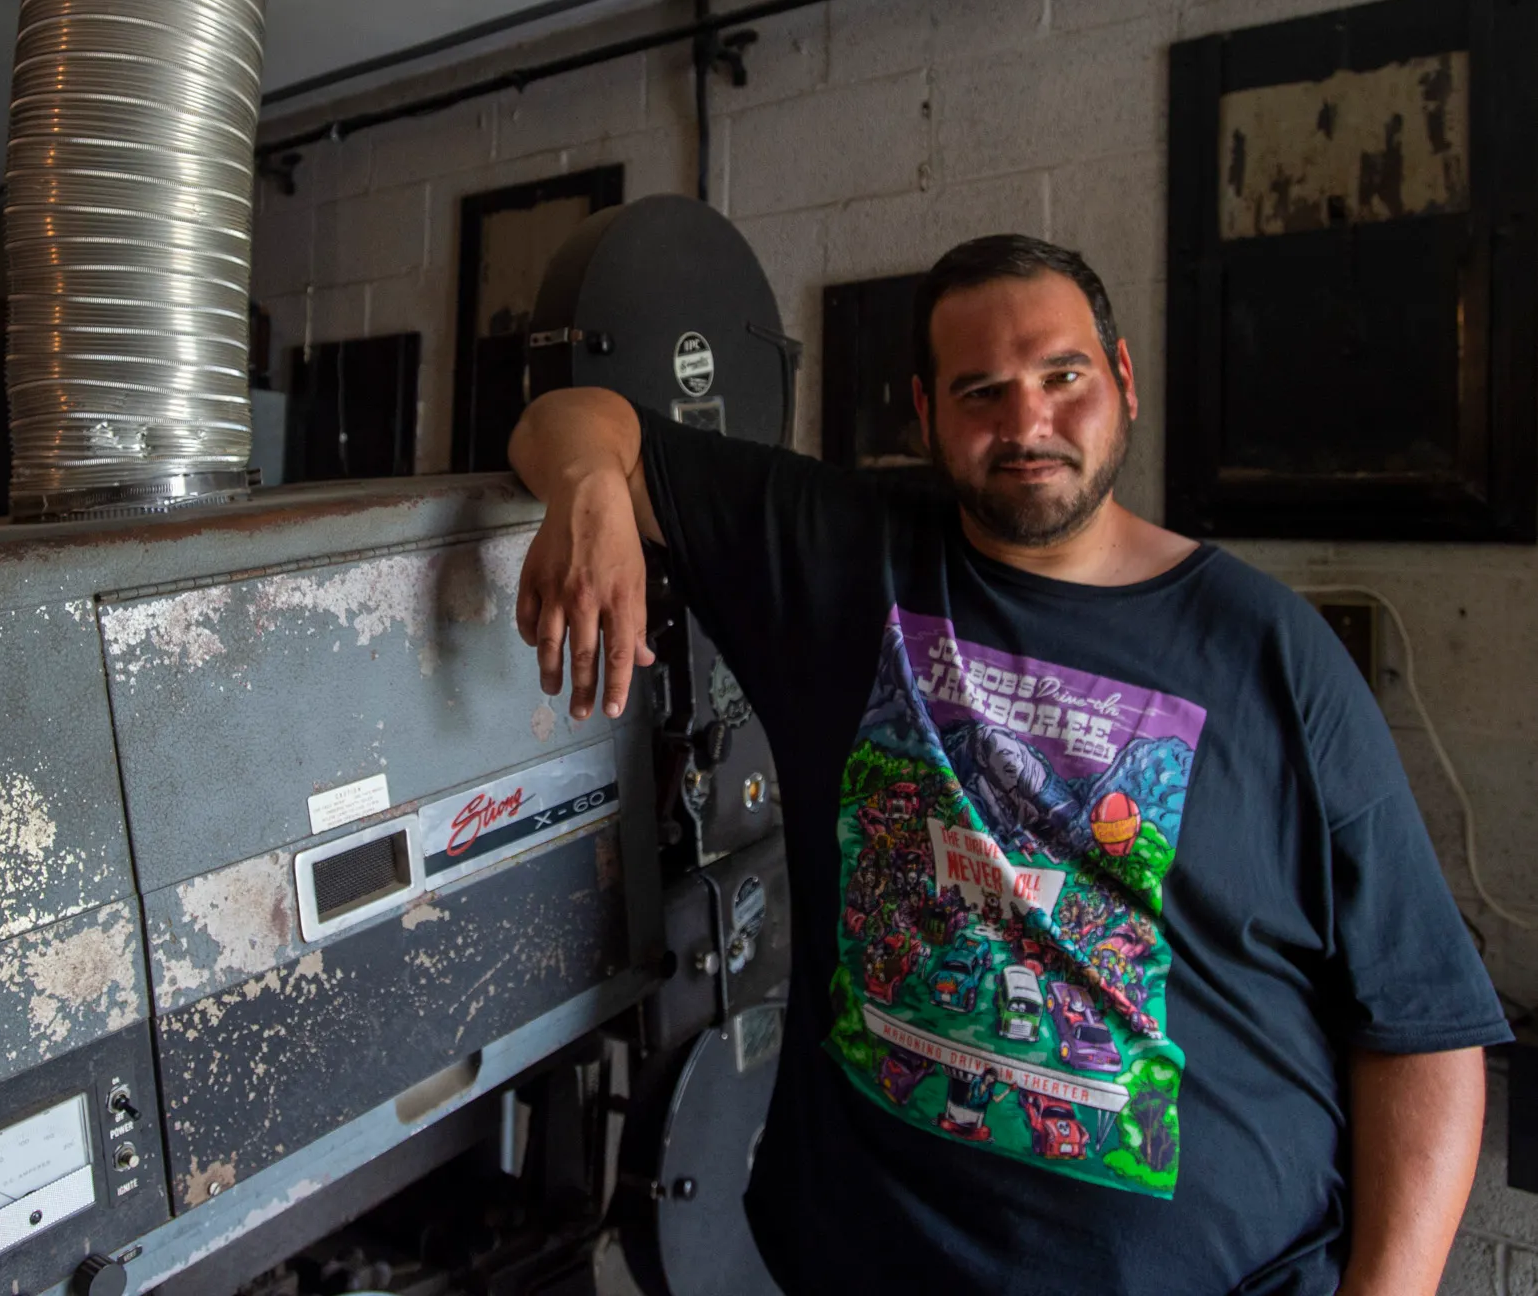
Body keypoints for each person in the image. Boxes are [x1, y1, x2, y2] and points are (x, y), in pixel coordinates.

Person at [507, 234, 1506, 1294]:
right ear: (925, 410)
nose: (1026, 423)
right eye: (981, 390)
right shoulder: (840, 559)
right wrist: (589, 492)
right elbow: (570, 420)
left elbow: (1423, 1025)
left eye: (1061, 376)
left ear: (1119, 379)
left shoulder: (1270, 650)